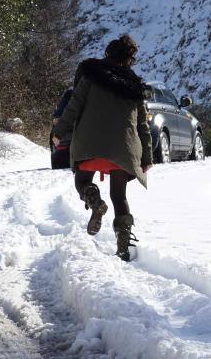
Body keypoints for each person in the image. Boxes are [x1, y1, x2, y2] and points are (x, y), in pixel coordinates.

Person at [52, 34, 153, 261]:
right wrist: (147, 156)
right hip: (123, 149)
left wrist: (59, 133)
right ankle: (124, 246)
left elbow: (73, 107)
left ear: (108, 53)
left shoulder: (90, 76)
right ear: (129, 59)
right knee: (119, 196)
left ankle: (95, 201)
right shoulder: (135, 88)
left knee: (82, 181)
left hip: (91, 143)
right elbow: (142, 125)